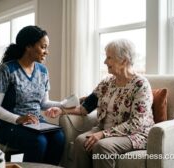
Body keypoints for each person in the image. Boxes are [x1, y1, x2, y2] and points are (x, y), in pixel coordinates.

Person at [45, 39, 155, 168]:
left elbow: (136, 123)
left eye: (109, 57)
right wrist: (62, 111)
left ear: (124, 60)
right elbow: (85, 108)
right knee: (81, 141)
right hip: (105, 130)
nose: (105, 62)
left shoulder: (140, 85)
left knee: (103, 146)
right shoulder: (107, 82)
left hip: (135, 134)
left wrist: (103, 134)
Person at [0, 25, 64, 165]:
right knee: (39, 142)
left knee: (59, 137)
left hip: (36, 123)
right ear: (28, 46)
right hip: (9, 126)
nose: (47, 52)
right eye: (43, 47)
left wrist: (66, 104)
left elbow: (44, 103)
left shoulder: (43, 71)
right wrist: (18, 119)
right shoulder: (7, 70)